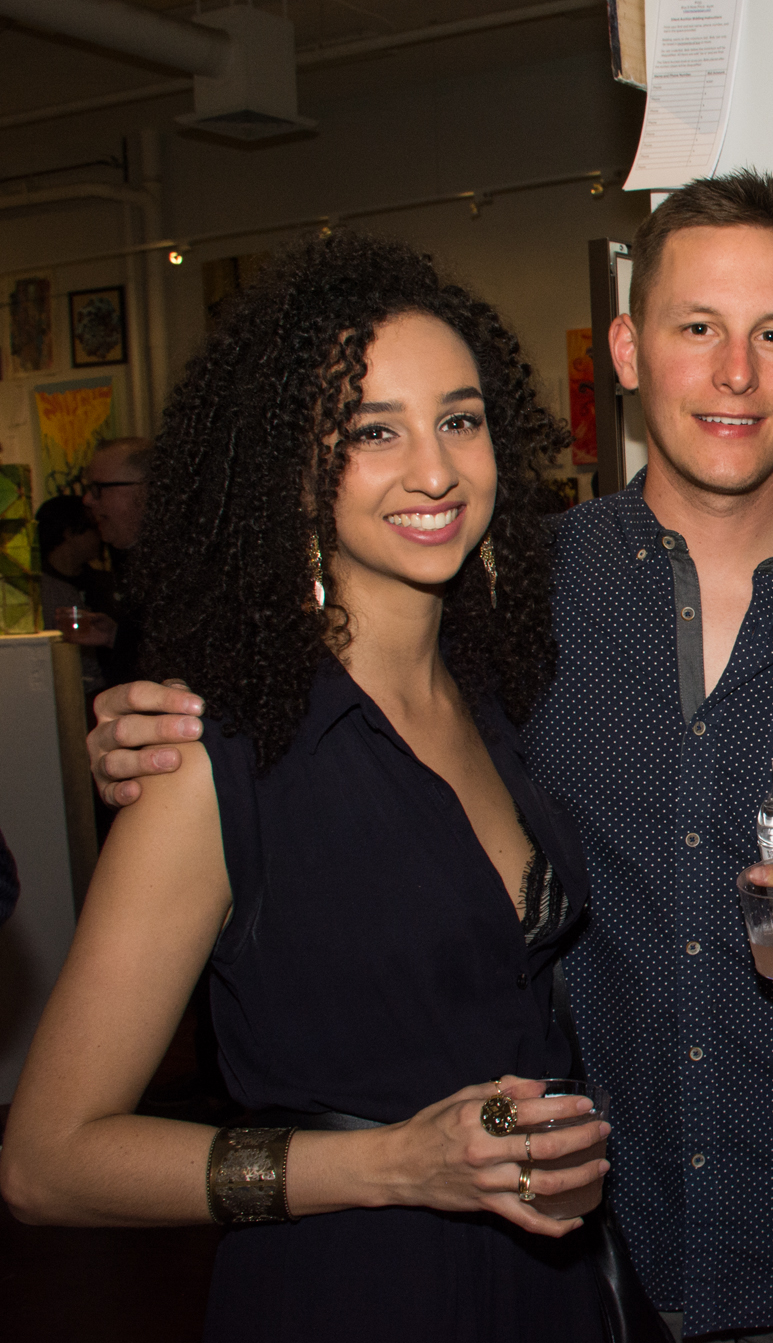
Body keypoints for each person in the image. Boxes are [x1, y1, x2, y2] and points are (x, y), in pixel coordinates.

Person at [84, 171, 773, 1340]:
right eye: (696, 327)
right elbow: (341, 688)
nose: (735, 372)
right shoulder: (511, 590)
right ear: (628, 350)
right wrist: (161, 724)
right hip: (590, 1252)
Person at [0, 233, 610, 1340]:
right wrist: (391, 1164)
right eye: (372, 431)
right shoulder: (212, 755)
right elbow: (47, 1161)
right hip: (357, 1284)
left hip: (543, 1280)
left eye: (460, 420)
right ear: (291, 465)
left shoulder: (494, 693)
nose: (434, 470)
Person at [81, 436, 151, 685]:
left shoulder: (184, 570)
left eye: (99, 488)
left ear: (146, 490)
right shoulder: (134, 560)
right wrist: (116, 636)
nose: (88, 500)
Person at [35, 492, 111, 697]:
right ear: (70, 533)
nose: (101, 535)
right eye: (93, 527)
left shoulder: (106, 584)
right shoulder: (38, 592)